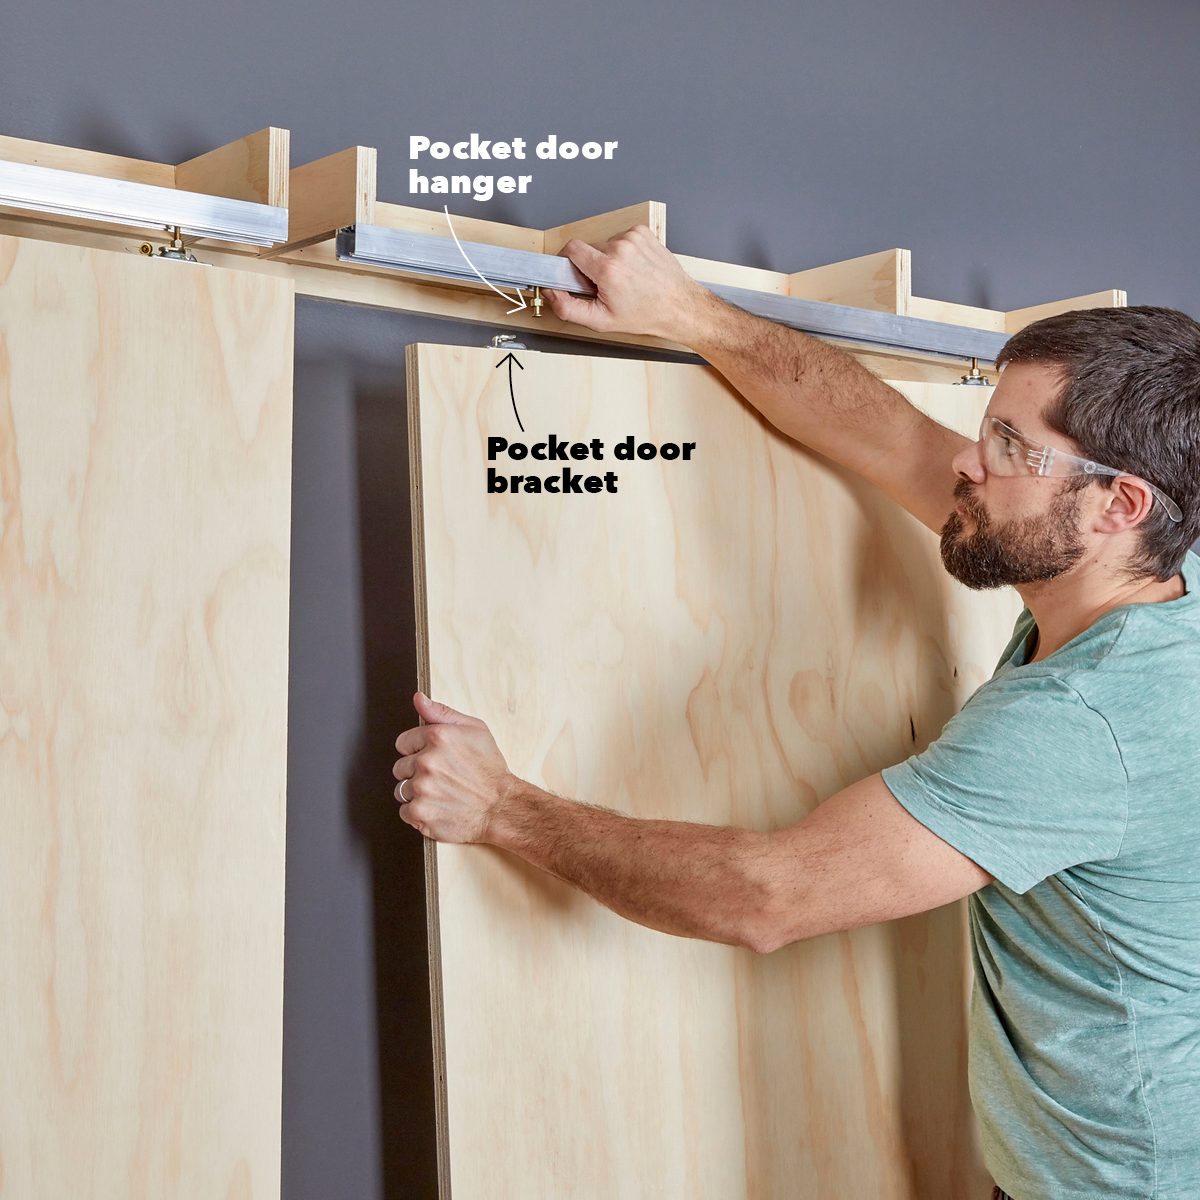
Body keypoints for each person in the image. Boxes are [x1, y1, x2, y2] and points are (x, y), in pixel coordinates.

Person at [392, 227, 1200, 1199]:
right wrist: (689, 317)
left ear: (1120, 506)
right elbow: (896, 440)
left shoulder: (1082, 726)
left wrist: (500, 809)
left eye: (1010, 446)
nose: (970, 465)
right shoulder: (1168, 568)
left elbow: (764, 896)